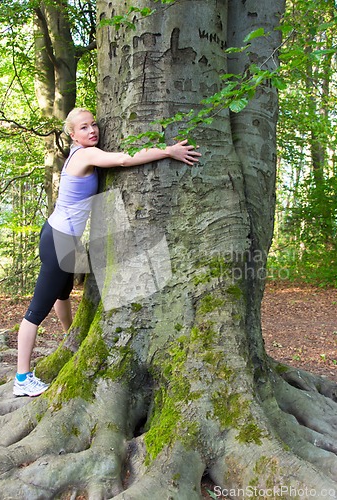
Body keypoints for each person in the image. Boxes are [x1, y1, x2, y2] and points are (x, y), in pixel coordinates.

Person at [13, 107, 201, 397]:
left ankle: (69, 340)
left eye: (94, 125)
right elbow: (125, 160)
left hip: (62, 236)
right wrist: (168, 151)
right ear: (73, 135)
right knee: (36, 312)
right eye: (84, 128)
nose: (92, 131)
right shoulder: (86, 155)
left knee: (63, 294)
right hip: (59, 239)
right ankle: (22, 379)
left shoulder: (79, 154)